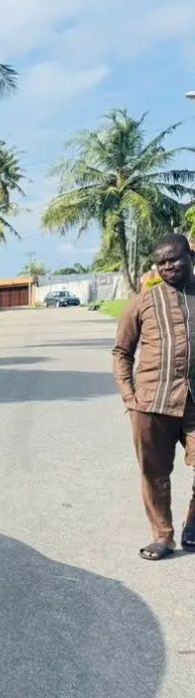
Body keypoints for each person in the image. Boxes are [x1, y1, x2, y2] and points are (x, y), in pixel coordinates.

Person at [112, 233, 195, 560]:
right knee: (154, 471)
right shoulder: (143, 302)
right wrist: (129, 395)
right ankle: (162, 535)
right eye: (161, 262)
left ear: (191, 258)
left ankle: (193, 522)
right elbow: (122, 351)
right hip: (151, 402)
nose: (168, 266)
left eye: (174, 259)